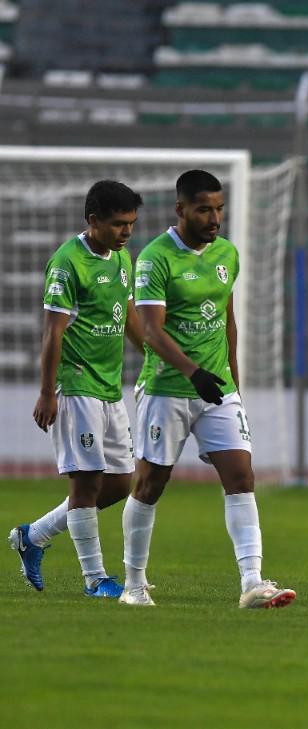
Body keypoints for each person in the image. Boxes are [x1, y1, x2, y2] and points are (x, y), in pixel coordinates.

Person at [119, 169, 295, 609]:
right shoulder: (155, 258)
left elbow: (227, 319)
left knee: (241, 477)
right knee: (150, 483)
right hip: (167, 388)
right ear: (180, 209)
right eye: (204, 210)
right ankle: (134, 586)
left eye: (219, 208)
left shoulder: (227, 254)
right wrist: (192, 371)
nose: (214, 218)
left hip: (217, 388)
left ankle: (252, 582)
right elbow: (151, 330)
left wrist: (233, 381)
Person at [8, 181, 145, 597]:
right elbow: (53, 332)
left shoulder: (122, 258)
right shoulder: (67, 262)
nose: (126, 232)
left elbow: (128, 315)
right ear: (93, 220)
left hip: (109, 386)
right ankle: (95, 579)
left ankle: (33, 536)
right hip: (76, 383)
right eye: (118, 224)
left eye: (131, 224)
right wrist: (47, 392)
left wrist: (155, 355)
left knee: (120, 483)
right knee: (85, 484)